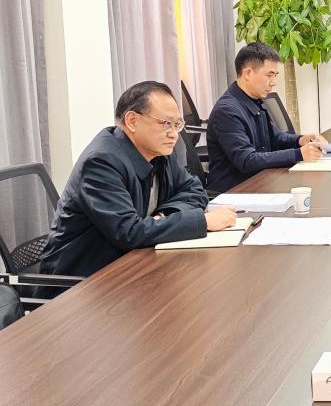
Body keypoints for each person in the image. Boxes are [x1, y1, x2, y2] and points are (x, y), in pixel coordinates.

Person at [38, 81, 237, 278]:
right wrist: (202, 221)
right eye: (166, 124)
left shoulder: (159, 151)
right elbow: (129, 232)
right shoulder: (100, 163)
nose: (174, 134)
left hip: (133, 263)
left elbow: (194, 190)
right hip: (82, 280)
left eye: (177, 124)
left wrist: (164, 216)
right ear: (132, 121)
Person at [206, 43, 329, 193]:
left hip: (261, 182)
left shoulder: (255, 100)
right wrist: (299, 154)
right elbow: (247, 161)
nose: (274, 82)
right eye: (269, 75)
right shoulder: (227, 111)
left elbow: (275, 138)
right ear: (248, 73)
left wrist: (300, 140)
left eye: (275, 75)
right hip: (235, 192)